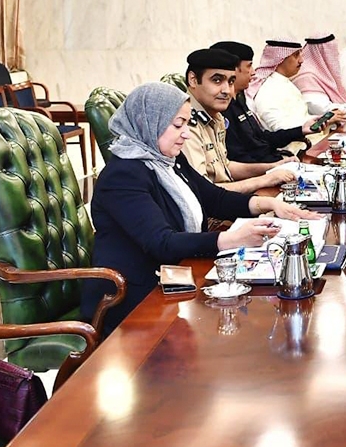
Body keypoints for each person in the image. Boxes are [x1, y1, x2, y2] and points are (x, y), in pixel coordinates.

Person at [82, 82, 322, 337]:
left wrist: (270, 204)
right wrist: (231, 239)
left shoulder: (168, 160)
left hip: (176, 279)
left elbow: (215, 199)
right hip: (133, 301)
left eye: (186, 124)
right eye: (178, 125)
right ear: (149, 123)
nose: (186, 134)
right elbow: (161, 242)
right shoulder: (122, 175)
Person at [180, 48, 300, 194]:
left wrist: (274, 167)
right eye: (217, 80)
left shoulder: (215, 116)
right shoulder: (184, 123)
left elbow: (225, 167)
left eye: (231, 81)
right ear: (193, 80)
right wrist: (264, 179)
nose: (227, 90)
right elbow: (203, 191)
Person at [208, 40, 320, 164]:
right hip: (262, 170)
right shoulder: (223, 109)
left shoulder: (239, 99)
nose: (253, 72)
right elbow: (239, 158)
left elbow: (261, 138)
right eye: (249, 66)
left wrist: (301, 130)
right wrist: (274, 167)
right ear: (233, 70)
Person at [249, 40, 346, 134]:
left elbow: (300, 117)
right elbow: (280, 127)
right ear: (280, 59)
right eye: (296, 55)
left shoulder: (284, 82)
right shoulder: (267, 90)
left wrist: (323, 120)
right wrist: (319, 121)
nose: (301, 60)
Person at [293, 34, 346, 113]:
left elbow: (330, 95)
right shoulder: (307, 76)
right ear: (322, 52)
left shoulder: (319, 71)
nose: (336, 54)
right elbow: (322, 109)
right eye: (332, 51)